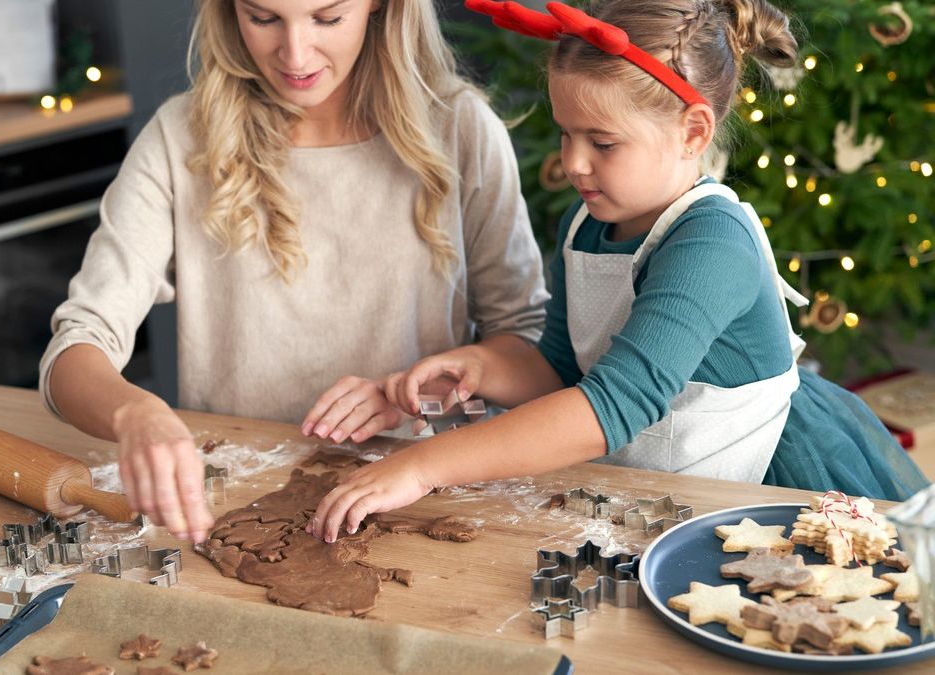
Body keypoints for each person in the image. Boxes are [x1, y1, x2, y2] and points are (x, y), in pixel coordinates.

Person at [307, 0, 929, 543]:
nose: (574, 162)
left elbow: (612, 407)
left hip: (767, 487)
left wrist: (424, 465)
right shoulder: (585, 224)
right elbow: (559, 368)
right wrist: (479, 367)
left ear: (692, 131)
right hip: (668, 492)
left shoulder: (713, 243)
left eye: (602, 143)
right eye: (565, 134)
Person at [39, 0, 551, 543]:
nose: (295, 53)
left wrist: (421, 395)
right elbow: (75, 347)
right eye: (263, 18)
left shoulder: (460, 129)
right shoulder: (180, 138)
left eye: (327, 18)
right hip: (231, 505)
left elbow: (525, 353)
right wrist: (133, 415)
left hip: (424, 504)